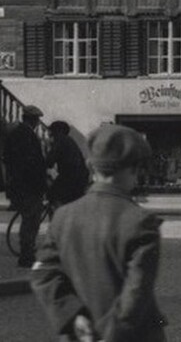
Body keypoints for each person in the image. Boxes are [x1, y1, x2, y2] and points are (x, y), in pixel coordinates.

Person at [30, 123, 168, 342]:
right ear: (133, 170)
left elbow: (43, 272)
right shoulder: (141, 221)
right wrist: (110, 334)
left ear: (91, 167)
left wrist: (73, 316)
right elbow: (136, 291)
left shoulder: (63, 216)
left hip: (80, 334)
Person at [2, 104, 48, 268]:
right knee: (31, 221)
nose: (38, 123)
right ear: (33, 120)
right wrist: (42, 184)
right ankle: (27, 255)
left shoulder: (16, 134)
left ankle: (27, 253)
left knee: (29, 220)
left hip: (21, 186)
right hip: (29, 187)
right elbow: (32, 164)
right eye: (37, 120)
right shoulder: (26, 135)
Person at [47, 122, 92, 211]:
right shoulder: (70, 141)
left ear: (57, 131)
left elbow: (49, 161)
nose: (50, 134)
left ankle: (58, 215)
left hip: (70, 179)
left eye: (51, 131)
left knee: (52, 194)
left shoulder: (60, 140)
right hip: (80, 179)